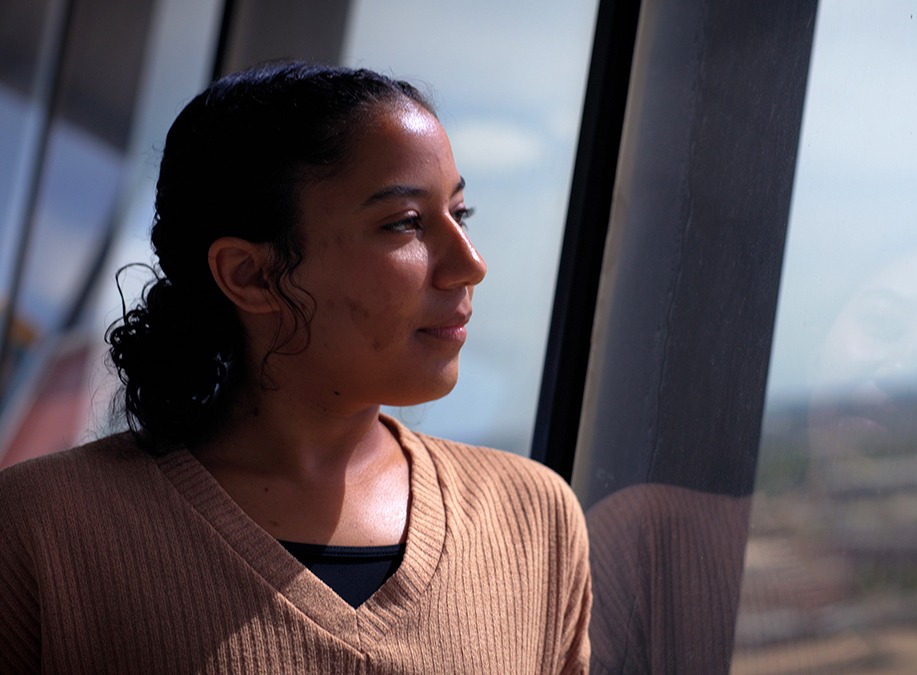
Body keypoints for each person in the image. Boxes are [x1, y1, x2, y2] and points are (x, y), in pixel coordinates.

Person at [0, 61, 590, 673]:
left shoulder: (534, 522)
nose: (469, 264)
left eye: (459, 214)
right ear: (249, 275)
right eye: (405, 223)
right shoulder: (43, 533)